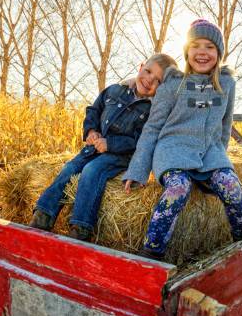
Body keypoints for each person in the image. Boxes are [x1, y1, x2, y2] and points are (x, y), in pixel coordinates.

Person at [122, 19, 242, 260]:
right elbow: (152, 128)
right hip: (172, 151)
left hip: (209, 153)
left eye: (210, 47)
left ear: (219, 53)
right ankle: (151, 252)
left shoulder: (226, 84)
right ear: (187, 51)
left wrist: (218, 162)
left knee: (233, 187)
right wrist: (138, 170)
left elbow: (225, 125)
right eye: (196, 46)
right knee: (178, 189)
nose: (202, 52)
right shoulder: (173, 85)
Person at [29, 53, 178, 240]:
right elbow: (94, 110)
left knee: (92, 170)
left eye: (157, 80)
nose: (149, 80)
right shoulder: (115, 90)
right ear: (141, 67)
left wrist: (111, 144)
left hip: (121, 155)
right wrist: (91, 131)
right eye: (147, 72)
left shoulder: (154, 109)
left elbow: (142, 140)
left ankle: (81, 227)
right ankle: (44, 214)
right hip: (94, 148)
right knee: (70, 168)